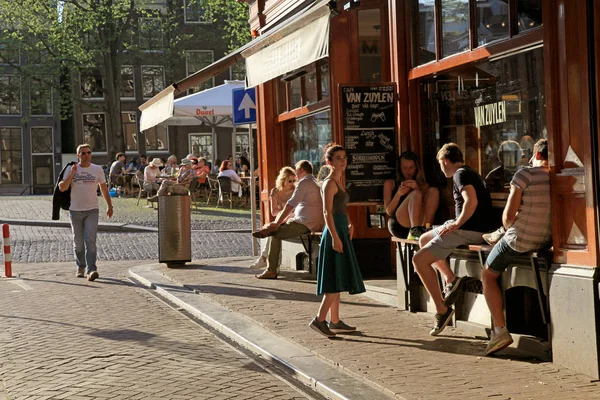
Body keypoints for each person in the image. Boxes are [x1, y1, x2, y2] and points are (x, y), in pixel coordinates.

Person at [412, 143, 495, 336]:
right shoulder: (469, 172)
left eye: (441, 164)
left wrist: (456, 224)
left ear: (446, 161)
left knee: (419, 261)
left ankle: (442, 310)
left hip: (469, 229)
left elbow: (471, 201)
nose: (441, 169)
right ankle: (450, 278)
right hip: (470, 226)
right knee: (424, 239)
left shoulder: (460, 174)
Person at [481, 139, 551, 356]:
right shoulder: (557, 177)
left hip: (519, 240)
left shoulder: (524, 174)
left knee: (487, 275)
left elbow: (508, 217)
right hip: (545, 241)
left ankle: (500, 330)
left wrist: (508, 225)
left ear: (537, 155)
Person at [309, 143, 365, 338]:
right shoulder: (330, 183)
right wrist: (334, 237)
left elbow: (340, 208)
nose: (343, 161)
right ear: (329, 162)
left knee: (339, 276)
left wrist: (350, 223)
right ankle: (319, 319)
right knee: (333, 279)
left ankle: (335, 321)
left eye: (344, 157)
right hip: (334, 232)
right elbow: (327, 212)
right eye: (339, 158)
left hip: (341, 228)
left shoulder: (340, 182)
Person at [253, 160, 324, 279]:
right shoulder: (313, 182)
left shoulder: (304, 183)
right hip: (307, 221)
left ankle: (271, 270)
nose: (295, 173)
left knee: (275, 234)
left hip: (305, 223)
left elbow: (291, 204)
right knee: (275, 229)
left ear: (301, 170)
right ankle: (267, 235)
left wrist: (277, 222)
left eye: (296, 169)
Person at [58, 144, 113, 281]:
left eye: (89, 152)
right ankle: (80, 266)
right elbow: (62, 188)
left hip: (92, 210)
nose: (86, 155)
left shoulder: (97, 169)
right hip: (75, 210)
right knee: (78, 243)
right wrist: (72, 174)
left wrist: (109, 206)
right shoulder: (71, 168)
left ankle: (92, 269)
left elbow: (104, 189)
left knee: (90, 240)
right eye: (83, 153)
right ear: (78, 156)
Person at [384, 151, 440, 240]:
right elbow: (389, 211)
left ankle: (426, 229)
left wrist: (417, 188)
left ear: (416, 168)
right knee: (416, 194)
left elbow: (427, 206)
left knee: (433, 191)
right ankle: (415, 231)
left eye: (411, 168)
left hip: (422, 222)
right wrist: (398, 194)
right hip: (400, 223)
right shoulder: (390, 183)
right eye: (404, 168)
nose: (408, 171)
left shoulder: (423, 185)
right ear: (400, 168)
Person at [249, 166, 297, 269]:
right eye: (289, 181)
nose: (292, 183)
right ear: (283, 180)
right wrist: (285, 212)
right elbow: (274, 212)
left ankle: (264, 258)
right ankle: (265, 258)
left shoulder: (296, 191)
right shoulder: (275, 192)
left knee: (272, 229)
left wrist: (288, 213)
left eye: (294, 180)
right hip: (281, 219)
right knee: (274, 229)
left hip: (294, 217)